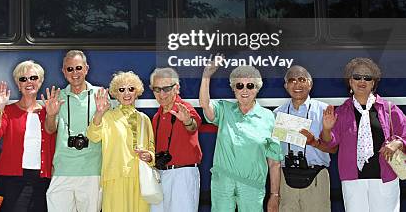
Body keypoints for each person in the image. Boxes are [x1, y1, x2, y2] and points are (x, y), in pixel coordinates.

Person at [321, 57, 406, 212]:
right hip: (353, 180)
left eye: (367, 77)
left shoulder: (389, 109)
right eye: (357, 77)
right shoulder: (341, 112)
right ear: (350, 82)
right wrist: (327, 129)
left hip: (385, 178)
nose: (362, 81)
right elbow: (330, 143)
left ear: (373, 83)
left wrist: (398, 143)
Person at [199, 57, 282, 212]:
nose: (245, 90)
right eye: (240, 85)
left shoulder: (269, 117)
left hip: (253, 187)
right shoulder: (224, 109)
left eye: (250, 85)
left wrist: (275, 195)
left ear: (257, 88)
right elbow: (205, 105)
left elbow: (274, 162)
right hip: (223, 183)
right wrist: (206, 75)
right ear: (234, 89)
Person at [0, 60, 56, 212]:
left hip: (41, 178)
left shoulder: (48, 112)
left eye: (33, 78)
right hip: (12, 179)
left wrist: (51, 115)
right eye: (23, 79)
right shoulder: (8, 111)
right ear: (18, 84)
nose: (28, 82)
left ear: (41, 81)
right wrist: (0, 106)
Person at [87, 71, 155, 212]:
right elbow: (93, 136)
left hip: (140, 178)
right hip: (115, 177)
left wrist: (149, 156)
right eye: (121, 89)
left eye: (131, 89)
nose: (126, 93)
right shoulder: (107, 116)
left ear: (137, 92)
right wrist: (99, 113)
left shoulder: (144, 119)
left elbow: (151, 148)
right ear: (115, 94)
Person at [44, 50, 102, 212]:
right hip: (63, 170)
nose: (74, 73)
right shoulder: (57, 96)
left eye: (78, 68)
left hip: (92, 171)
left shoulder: (100, 95)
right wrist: (51, 115)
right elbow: (50, 130)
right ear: (63, 72)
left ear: (86, 68)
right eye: (69, 69)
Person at [274, 66, 333, 212]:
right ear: (286, 86)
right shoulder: (277, 114)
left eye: (302, 79)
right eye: (292, 80)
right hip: (286, 180)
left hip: (316, 180)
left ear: (310, 84)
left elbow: (334, 148)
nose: (297, 84)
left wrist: (316, 140)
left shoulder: (324, 111)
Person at [148, 67, 202, 212]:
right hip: (160, 175)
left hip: (182, 175)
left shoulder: (185, 108)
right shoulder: (156, 117)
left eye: (166, 88)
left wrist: (187, 121)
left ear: (176, 88)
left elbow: (193, 126)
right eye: (157, 89)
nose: (161, 94)